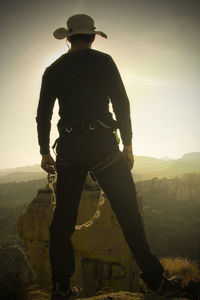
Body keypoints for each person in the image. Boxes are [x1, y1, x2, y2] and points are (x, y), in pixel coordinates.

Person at [36, 14, 181, 300]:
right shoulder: (104, 61)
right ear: (91, 37)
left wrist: (43, 151)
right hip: (102, 144)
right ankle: (155, 282)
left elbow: (43, 115)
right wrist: (127, 144)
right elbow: (121, 103)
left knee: (63, 221)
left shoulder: (53, 69)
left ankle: (61, 288)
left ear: (68, 38)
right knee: (128, 213)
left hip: (69, 148)